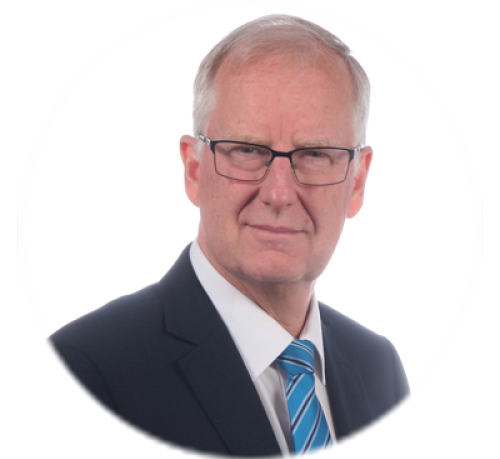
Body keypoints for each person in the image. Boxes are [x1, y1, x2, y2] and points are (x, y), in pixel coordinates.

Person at [45, 14, 410, 459]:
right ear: (193, 169)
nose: (279, 194)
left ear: (357, 181)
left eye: (316, 154)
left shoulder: (377, 367)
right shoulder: (87, 371)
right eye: (247, 150)